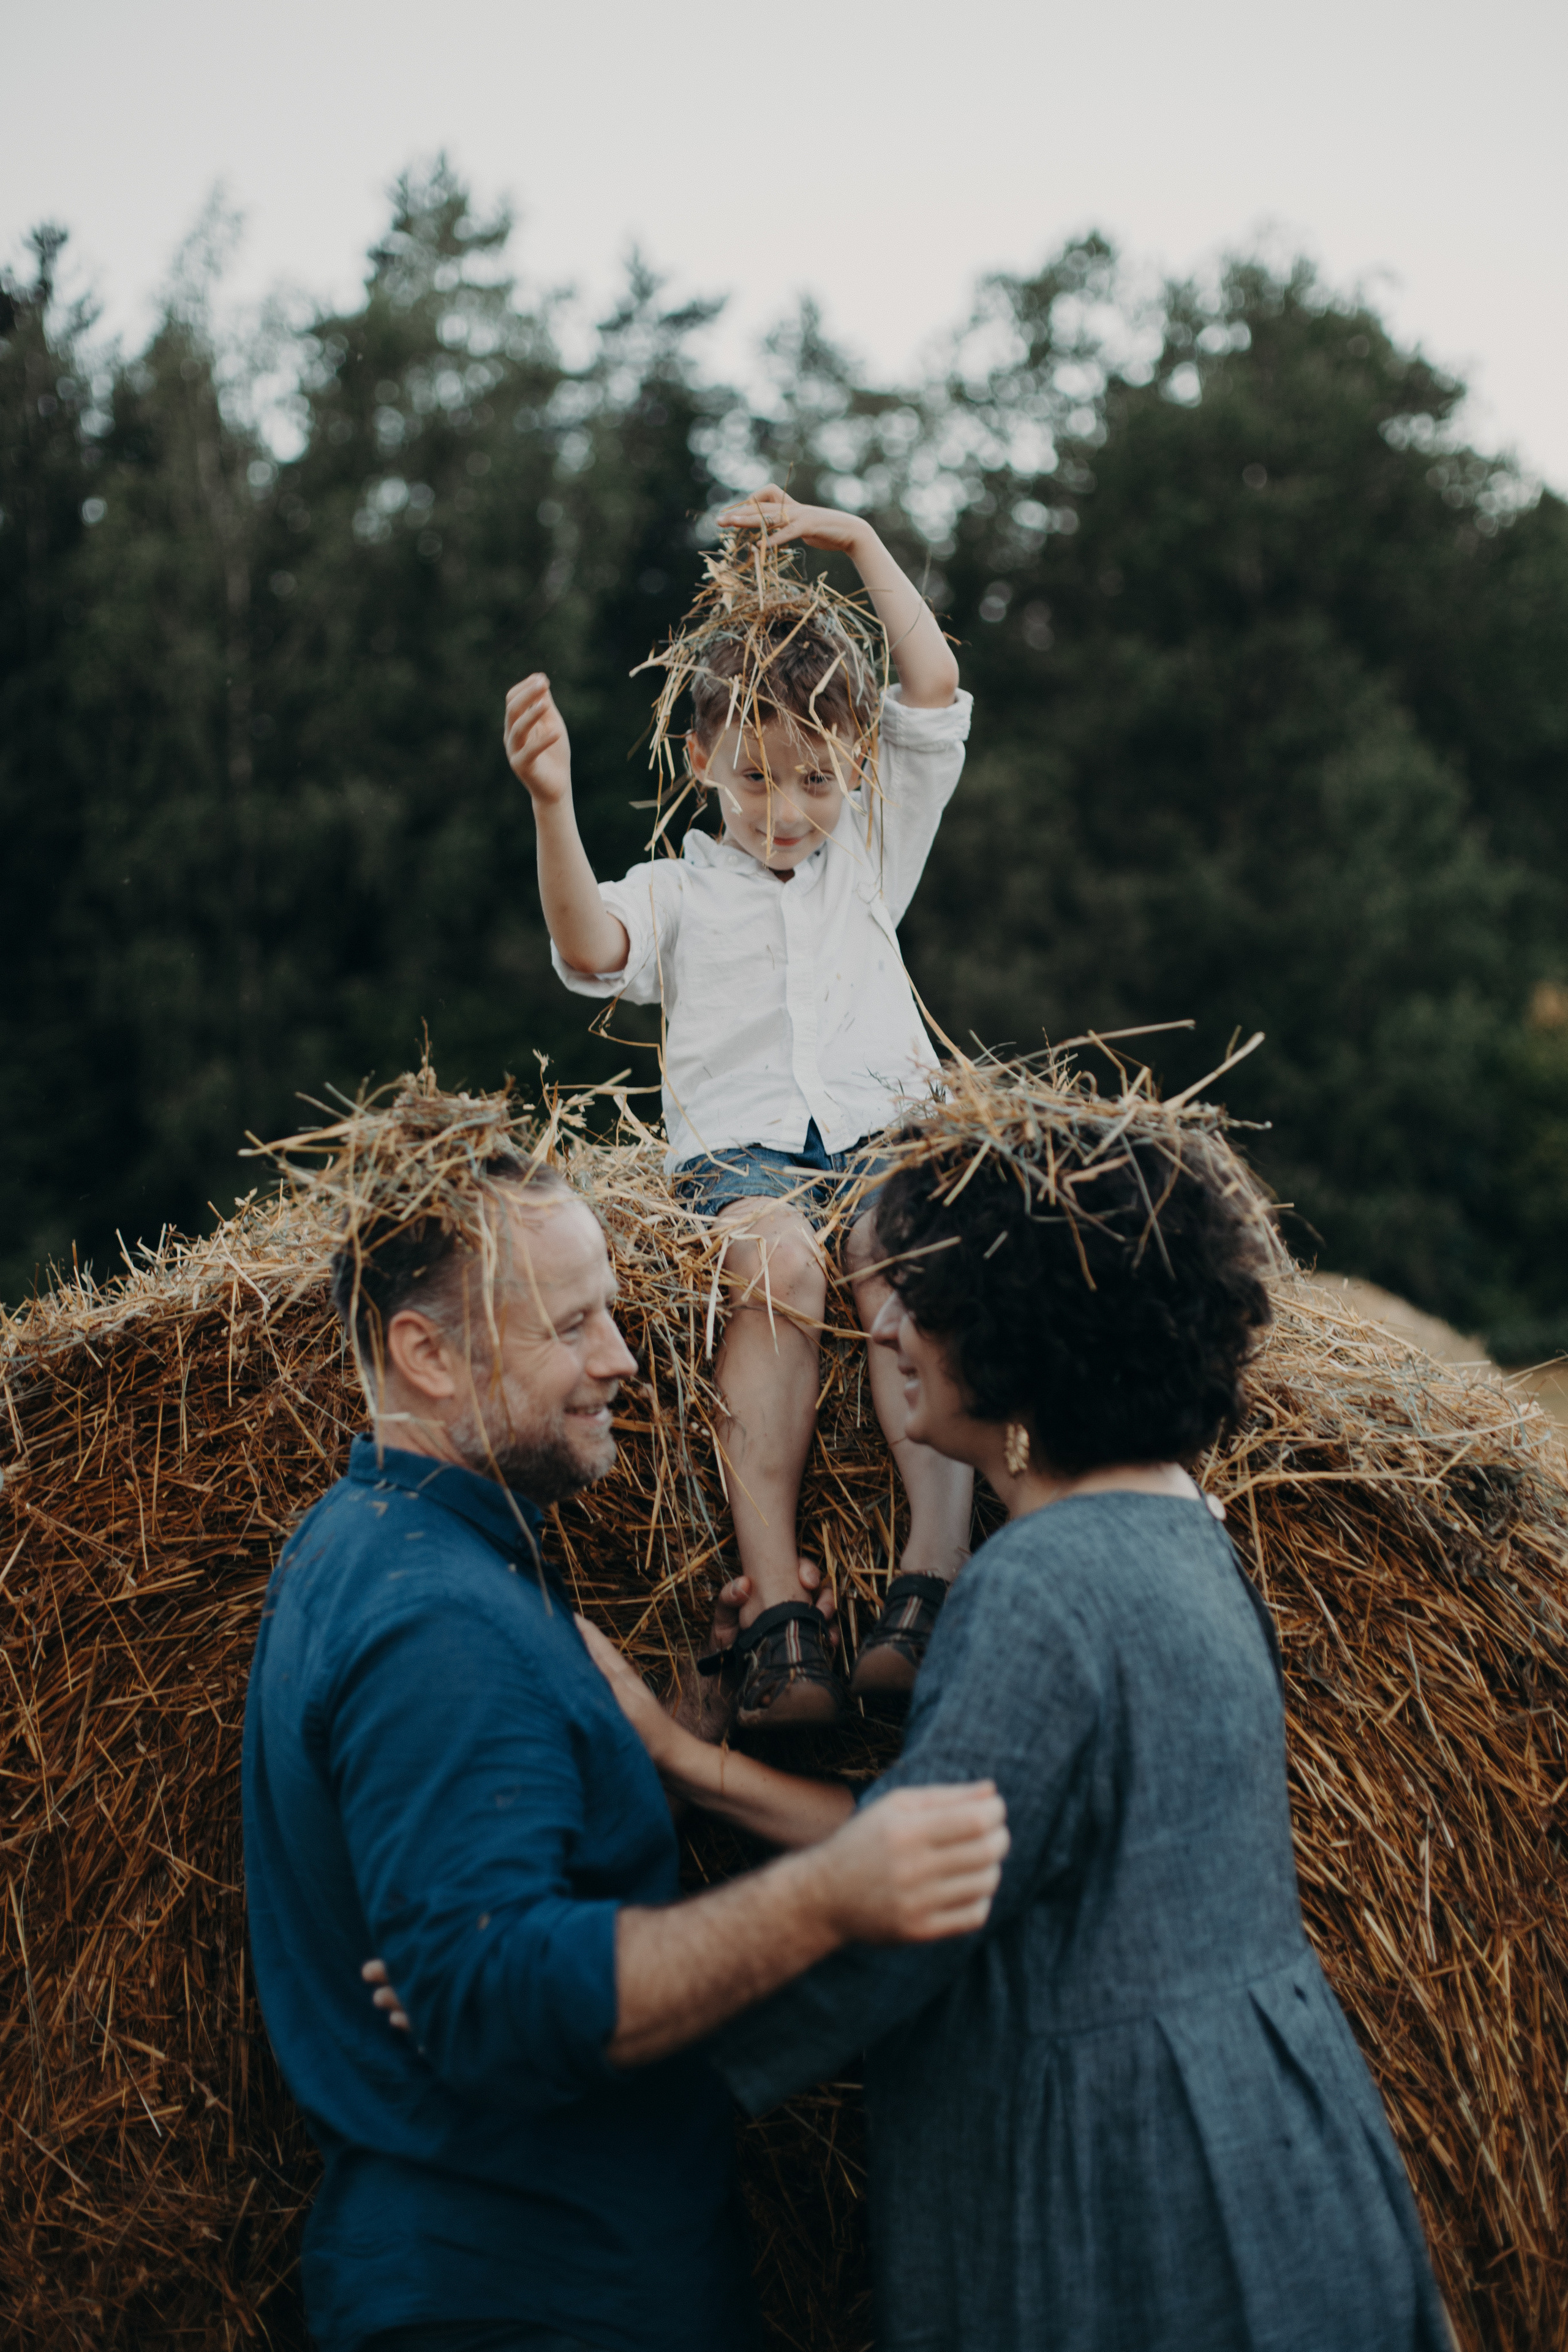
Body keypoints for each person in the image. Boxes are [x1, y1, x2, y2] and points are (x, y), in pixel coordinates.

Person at [578, 1102, 1455, 2351]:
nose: (878, 1327)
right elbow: (958, 1827)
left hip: (1132, 2203)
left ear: (1020, 1331)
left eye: (914, 1301)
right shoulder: (1178, 1533)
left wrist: (587, 2037)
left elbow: (896, 1926)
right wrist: (681, 1757)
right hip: (1278, 2149)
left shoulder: (1039, 1587)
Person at [241, 1151, 1008, 2352]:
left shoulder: (387, 1547)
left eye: (609, 1310)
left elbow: (496, 1870)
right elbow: (495, 1997)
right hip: (528, 2294)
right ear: (424, 1355)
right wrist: (829, 1893)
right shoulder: (435, 1621)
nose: (622, 1358)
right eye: (571, 1326)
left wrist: (670, 1743)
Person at [502, 488, 974, 1727]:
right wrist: (551, 805)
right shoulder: (674, 892)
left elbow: (929, 690)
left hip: (885, 1145)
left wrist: (857, 541)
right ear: (702, 756)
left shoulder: (872, 851)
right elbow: (587, 939)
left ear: (851, 770)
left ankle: (930, 1573)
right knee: (775, 1266)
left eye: (815, 779)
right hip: (740, 1165)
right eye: (756, 776)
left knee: (896, 1252)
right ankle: (777, 1614)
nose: (784, 809)